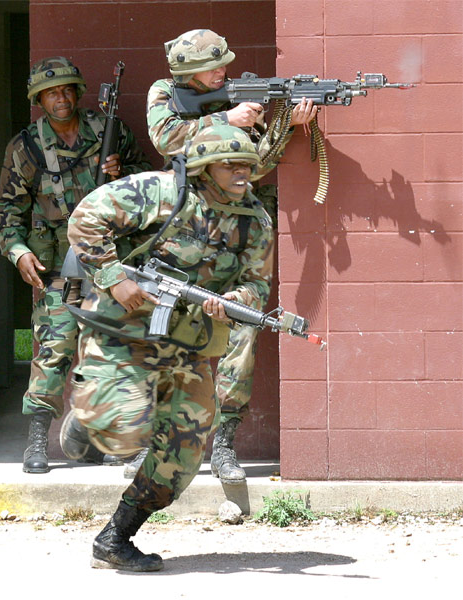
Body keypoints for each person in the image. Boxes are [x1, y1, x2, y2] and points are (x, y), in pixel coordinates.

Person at [59, 124, 274, 571]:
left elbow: (256, 283)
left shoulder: (255, 221)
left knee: (185, 447)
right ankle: (87, 419)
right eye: (229, 164)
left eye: (247, 165)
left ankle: (115, 538)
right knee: (121, 427)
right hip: (124, 328)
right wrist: (114, 278)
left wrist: (237, 301)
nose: (241, 173)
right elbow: (85, 217)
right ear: (202, 168)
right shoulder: (162, 192)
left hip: (187, 340)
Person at [145, 29, 318, 484]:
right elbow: (167, 139)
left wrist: (285, 126)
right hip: (185, 221)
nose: (223, 72)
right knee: (169, 338)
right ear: (187, 72)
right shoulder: (165, 92)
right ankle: (160, 445)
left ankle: (223, 445)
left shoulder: (237, 102)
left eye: (224, 64)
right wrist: (227, 118)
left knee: (241, 330)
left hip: (235, 222)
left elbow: (254, 165)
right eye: (213, 66)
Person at [0, 56, 152, 474]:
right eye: (50, 93)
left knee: (117, 347)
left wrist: (122, 171)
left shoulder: (107, 131)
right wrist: (18, 251)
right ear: (39, 100)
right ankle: (37, 442)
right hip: (63, 269)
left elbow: (146, 181)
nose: (60, 99)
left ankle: (124, 440)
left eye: (66, 90)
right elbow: (8, 210)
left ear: (77, 94)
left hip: (110, 260)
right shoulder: (26, 147)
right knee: (55, 344)